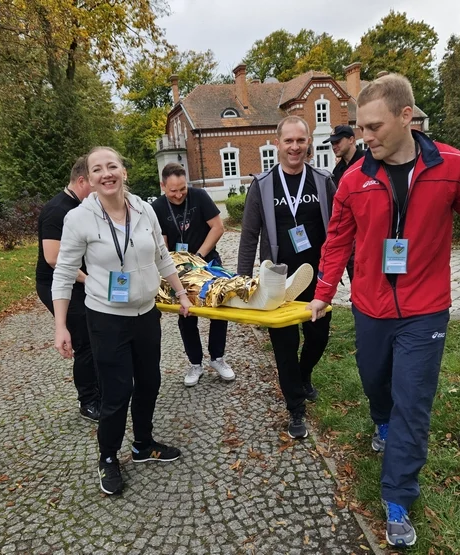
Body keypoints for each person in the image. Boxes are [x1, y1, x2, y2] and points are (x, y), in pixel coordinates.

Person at [307, 73, 460, 547]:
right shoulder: (355, 179)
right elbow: (337, 238)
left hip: (426, 309)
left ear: (406, 117)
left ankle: (397, 497)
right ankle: (381, 419)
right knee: (376, 380)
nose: (365, 137)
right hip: (371, 307)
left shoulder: (451, 167)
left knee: (413, 403)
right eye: (360, 128)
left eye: (374, 127)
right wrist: (323, 290)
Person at [51, 146, 192, 496]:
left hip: (146, 314)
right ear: (90, 179)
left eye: (112, 166)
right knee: (117, 392)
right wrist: (61, 325)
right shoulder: (79, 219)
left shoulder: (144, 209)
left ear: (124, 172)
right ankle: (108, 458)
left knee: (149, 383)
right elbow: (65, 272)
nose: (106, 174)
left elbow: (162, 256)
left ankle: (143, 445)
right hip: (107, 318)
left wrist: (182, 293)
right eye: (97, 169)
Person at [237, 115, 336, 440]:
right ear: (277, 143)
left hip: (317, 280)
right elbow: (249, 235)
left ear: (308, 143)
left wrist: (348, 273)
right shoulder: (263, 185)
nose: (295, 147)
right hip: (277, 283)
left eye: (300, 140)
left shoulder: (322, 181)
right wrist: (242, 281)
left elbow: (340, 230)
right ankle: (295, 408)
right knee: (285, 347)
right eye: (289, 141)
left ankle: (303, 375)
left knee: (318, 338)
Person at [151, 162, 235, 386]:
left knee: (219, 309)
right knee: (186, 314)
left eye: (182, 189)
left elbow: (217, 227)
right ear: (163, 186)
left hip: (207, 262)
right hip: (180, 269)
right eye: (173, 191)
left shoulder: (200, 197)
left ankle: (218, 358)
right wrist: (176, 266)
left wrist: (197, 256)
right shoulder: (157, 207)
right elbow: (162, 244)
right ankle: (195, 363)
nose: (178, 195)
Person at [36, 156, 100, 422]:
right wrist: (89, 280)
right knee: (84, 340)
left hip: (81, 281)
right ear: (82, 180)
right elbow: (53, 257)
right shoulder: (57, 210)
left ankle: (100, 389)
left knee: (95, 334)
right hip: (57, 284)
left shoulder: (81, 206)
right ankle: (88, 401)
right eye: (94, 184)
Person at [324, 124, 364, 281]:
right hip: (350, 232)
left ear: (351, 139)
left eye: (338, 141)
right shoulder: (337, 171)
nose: (334, 146)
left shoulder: (369, 161)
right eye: (332, 143)